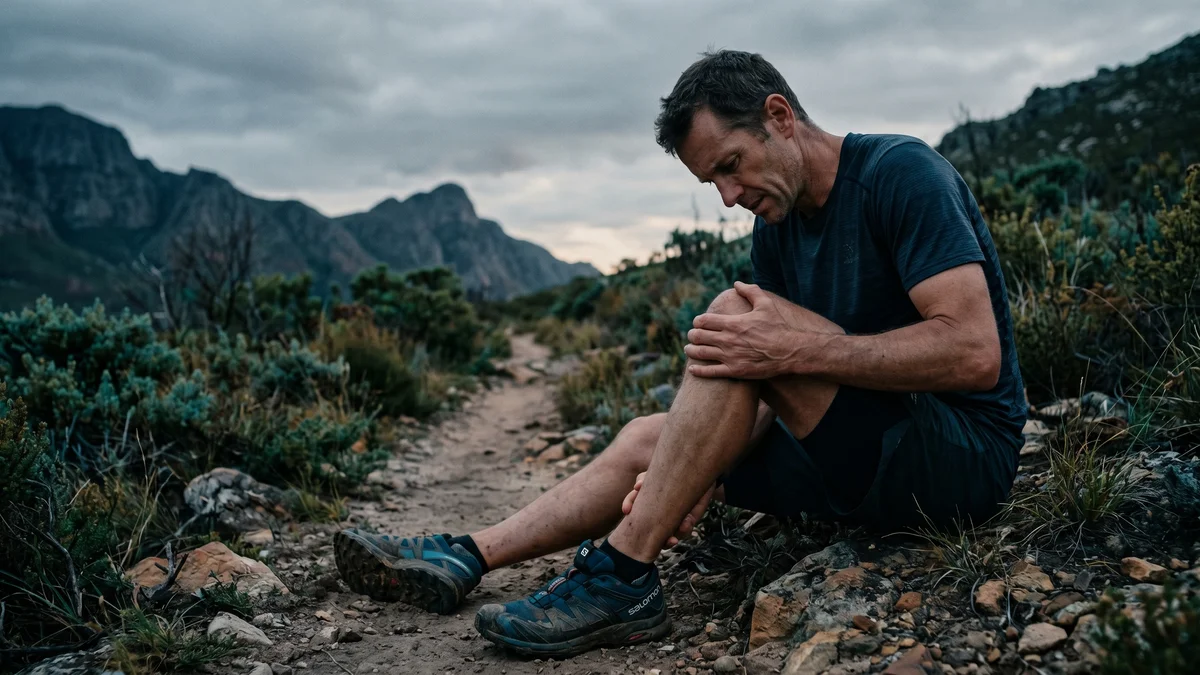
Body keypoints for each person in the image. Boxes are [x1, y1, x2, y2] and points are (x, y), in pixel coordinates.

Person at [334, 49, 1027, 659]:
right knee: (652, 439)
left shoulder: (901, 175)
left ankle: (624, 575)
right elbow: (763, 384)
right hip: (861, 452)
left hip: (957, 463)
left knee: (737, 324)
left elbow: (972, 352)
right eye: (713, 184)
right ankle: (467, 552)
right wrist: (689, 472)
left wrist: (801, 346)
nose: (729, 197)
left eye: (731, 166)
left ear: (780, 116)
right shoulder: (777, 228)